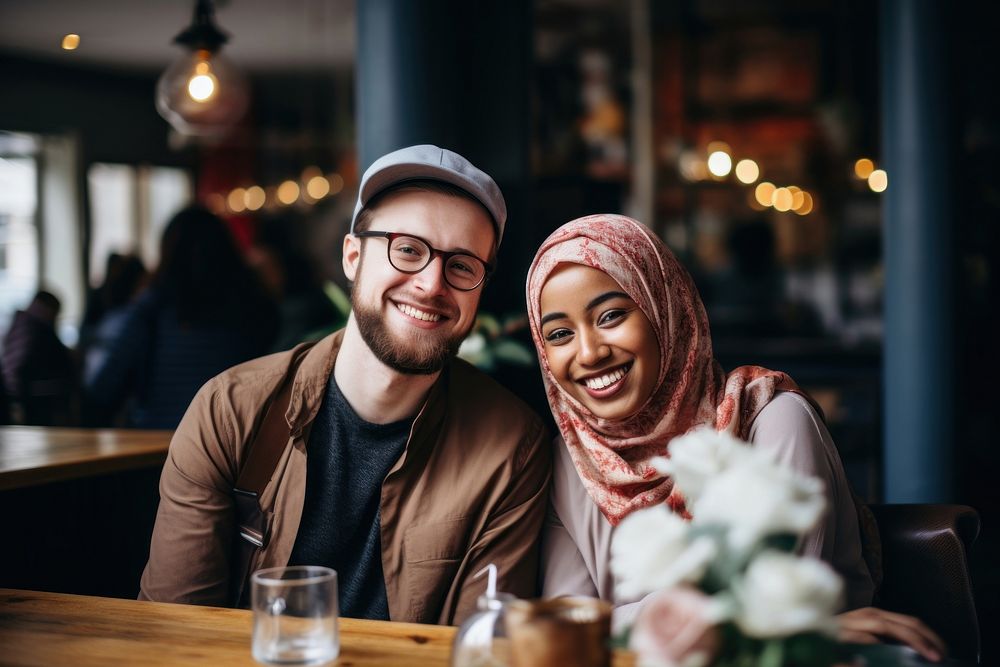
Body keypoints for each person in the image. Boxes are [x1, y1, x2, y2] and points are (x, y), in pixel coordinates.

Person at [139, 145, 551, 626]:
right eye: (407, 249)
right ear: (353, 256)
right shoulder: (231, 410)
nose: (432, 283)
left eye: (462, 265)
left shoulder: (511, 448)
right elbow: (174, 633)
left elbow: (482, 652)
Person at [525, 214, 945, 661]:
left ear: (665, 307)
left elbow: (780, 616)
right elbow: (567, 636)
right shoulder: (569, 462)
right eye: (560, 334)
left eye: (610, 316)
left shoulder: (771, 418)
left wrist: (625, 621)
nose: (589, 352)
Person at [83, 206, 277, 428]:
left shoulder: (150, 311)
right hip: (237, 443)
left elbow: (103, 389)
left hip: (159, 445)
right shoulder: (256, 310)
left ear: (167, 253)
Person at [1, 289, 77, 426]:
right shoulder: (35, 328)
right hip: (36, 405)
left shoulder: (23, 324)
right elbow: (17, 368)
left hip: (26, 401)